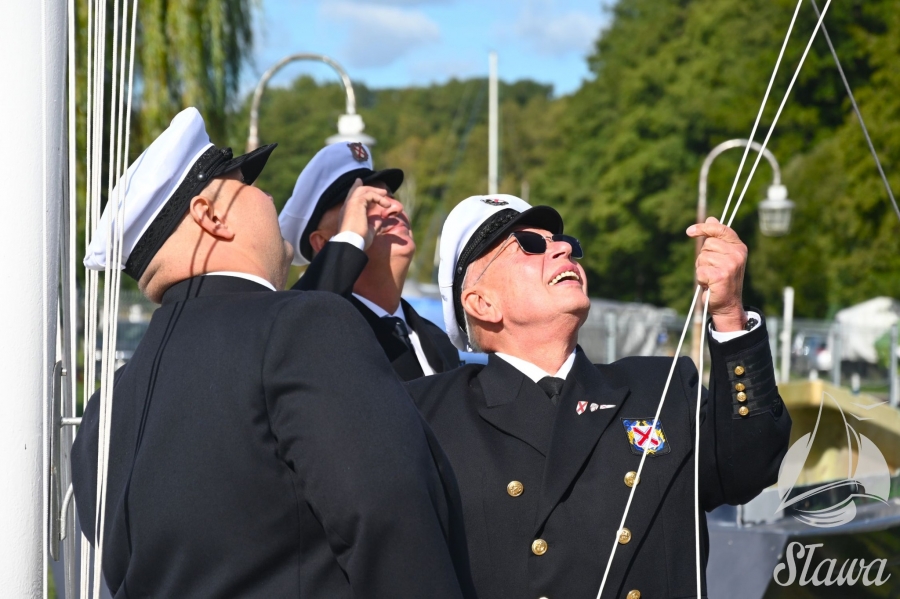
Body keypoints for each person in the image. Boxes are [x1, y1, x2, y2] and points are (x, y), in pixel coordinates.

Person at [71, 108, 475, 598]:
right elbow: (393, 525)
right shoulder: (301, 328)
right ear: (211, 216)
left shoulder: (103, 411)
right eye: (248, 184)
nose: (267, 196)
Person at [406, 194, 792, 599]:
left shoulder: (662, 386)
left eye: (564, 240)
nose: (564, 247)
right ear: (482, 303)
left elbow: (749, 468)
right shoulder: (428, 415)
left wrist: (730, 312)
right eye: (529, 244)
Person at [279, 143, 459, 381]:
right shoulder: (324, 334)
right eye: (368, 202)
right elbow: (293, 330)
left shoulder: (438, 339)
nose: (395, 207)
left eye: (391, 197)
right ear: (323, 243)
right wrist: (350, 240)